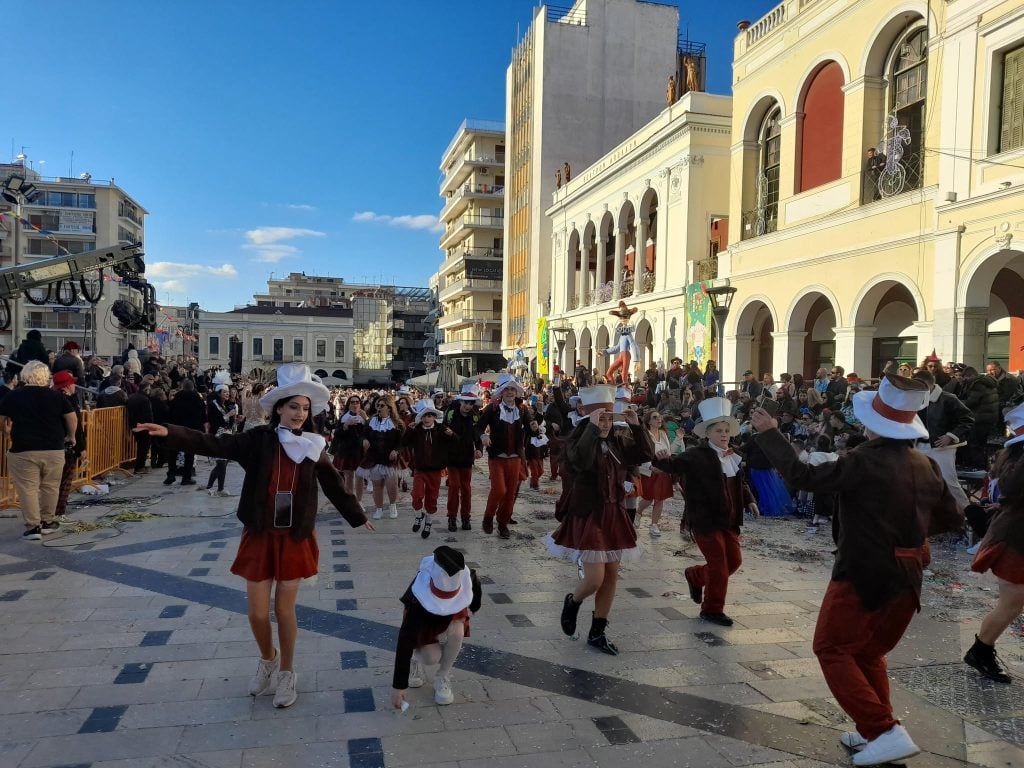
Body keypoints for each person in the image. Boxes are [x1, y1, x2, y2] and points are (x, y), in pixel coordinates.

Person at [133, 363, 373, 709]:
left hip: (294, 536)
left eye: (304, 408)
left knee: (284, 611)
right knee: (258, 614)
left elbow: (334, 483)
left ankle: (288, 672)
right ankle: (268, 658)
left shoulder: (313, 446)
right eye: (293, 407)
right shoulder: (259, 440)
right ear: (278, 409)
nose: (299, 414)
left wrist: (357, 514)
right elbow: (213, 443)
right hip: (261, 533)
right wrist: (169, 432)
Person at [750, 374, 962, 767]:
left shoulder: (864, 461)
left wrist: (770, 432)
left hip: (865, 572)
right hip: (909, 573)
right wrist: (909, 533)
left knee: (831, 648)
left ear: (874, 424)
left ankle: (884, 730)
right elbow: (951, 516)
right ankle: (878, 729)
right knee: (867, 654)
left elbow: (803, 478)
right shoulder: (925, 464)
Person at [548, 385, 653, 655]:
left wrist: (637, 427)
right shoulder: (577, 440)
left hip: (614, 512)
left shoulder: (618, 440)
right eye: (601, 418)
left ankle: (598, 631)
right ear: (588, 419)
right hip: (590, 512)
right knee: (595, 578)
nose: (606, 423)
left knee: (612, 576)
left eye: (609, 418)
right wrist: (592, 430)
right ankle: (573, 601)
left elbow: (644, 455)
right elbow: (579, 463)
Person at [658, 397, 755, 626]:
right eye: (719, 431)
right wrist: (661, 459)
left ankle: (696, 575)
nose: (724, 435)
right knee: (720, 566)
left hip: (729, 520)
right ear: (707, 434)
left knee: (734, 561)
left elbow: (739, 483)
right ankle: (712, 609)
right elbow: (674, 465)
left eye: (726, 430)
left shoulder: (732, 455)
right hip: (705, 520)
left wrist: (749, 500)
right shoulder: (697, 454)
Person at [965, 401, 1024, 684]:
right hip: (1015, 540)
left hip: (1015, 536)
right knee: (1011, 604)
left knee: (1012, 604)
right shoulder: (1017, 457)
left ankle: (981, 651)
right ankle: (980, 651)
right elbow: (1011, 489)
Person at [391, 546, 482, 709]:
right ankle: (415, 661)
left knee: (457, 632)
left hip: (454, 614)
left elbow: (475, 588)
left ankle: (442, 676)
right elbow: (405, 641)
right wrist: (399, 686)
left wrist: (475, 606)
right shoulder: (418, 601)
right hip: (427, 619)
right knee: (431, 657)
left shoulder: (465, 575)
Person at [0, 361, 77, 540]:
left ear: (25, 375)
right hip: (53, 449)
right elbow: (71, 418)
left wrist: (6, 431)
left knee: (28, 489)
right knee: (50, 487)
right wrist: (71, 436)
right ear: (45, 376)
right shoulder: (56, 396)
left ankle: (33, 526)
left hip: (23, 449)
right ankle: (48, 521)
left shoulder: (13, 396)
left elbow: (1, 418)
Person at [478, 373, 540, 539]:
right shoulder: (492, 408)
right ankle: (488, 516)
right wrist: (483, 436)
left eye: (513, 389)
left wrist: (535, 427)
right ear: (501, 391)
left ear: (516, 392)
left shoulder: (522, 409)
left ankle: (503, 523)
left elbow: (531, 429)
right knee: (499, 489)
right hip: (497, 456)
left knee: (510, 493)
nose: (510, 392)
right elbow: (478, 427)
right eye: (507, 389)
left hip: (515, 457)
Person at [402, 399, 454, 539]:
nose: (427, 418)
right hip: (420, 469)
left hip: (435, 470)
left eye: (429, 415)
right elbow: (404, 442)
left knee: (432, 497)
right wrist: (409, 430)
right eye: (424, 416)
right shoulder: (416, 430)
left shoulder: (441, 429)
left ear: (434, 417)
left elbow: (455, 442)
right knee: (417, 495)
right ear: (421, 417)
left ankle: (429, 522)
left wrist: (452, 435)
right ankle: (419, 516)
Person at [357, 395, 405, 520]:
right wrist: (364, 440)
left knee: (391, 485)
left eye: (382, 405)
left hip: (389, 459)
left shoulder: (397, 423)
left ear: (389, 408)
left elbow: (401, 443)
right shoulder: (371, 421)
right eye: (377, 405)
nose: (378, 408)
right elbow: (362, 435)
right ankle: (378, 509)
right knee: (377, 486)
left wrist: (396, 451)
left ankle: (392, 506)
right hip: (374, 458)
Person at [444, 384, 483, 531]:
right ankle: (452, 517)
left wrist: (479, 449)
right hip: (452, 457)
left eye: (471, 403)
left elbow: (478, 435)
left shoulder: (474, 416)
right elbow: (442, 429)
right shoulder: (451, 413)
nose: (468, 405)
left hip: (467, 457)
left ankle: (466, 517)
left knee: (466, 489)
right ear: (460, 401)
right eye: (466, 402)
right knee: (454, 487)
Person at [51, 370, 86, 521]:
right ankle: (58, 511)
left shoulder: (51, 398)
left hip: (53, 445)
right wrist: (82, 448)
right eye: (72, 383)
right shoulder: (68, 401)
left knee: (52, 481)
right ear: (66, 385)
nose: (74, 386)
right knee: (65, 480)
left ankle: (51, 510)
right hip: (68, 446)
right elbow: (76, 427)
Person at [635, 411, 673, 537]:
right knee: (648, 498)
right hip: (649, 470)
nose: (659, 419)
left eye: (659, 417)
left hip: (662, 470)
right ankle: (638, 512)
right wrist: (650, 467)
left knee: (660, 498)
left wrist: (678, 440)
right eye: (655, 417)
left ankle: (654, 524)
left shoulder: (663, 433)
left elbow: (669, 451)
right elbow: (643, 453)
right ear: (649, 421)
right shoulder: (645, 434)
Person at [164, 379, 207, 486]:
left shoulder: (177, 398)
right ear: (193, 387)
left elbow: (169, 413)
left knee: (173, 452)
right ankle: (186, 477)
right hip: (192, 429)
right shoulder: (197, 398)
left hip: (176, 428)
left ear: (183, 387)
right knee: (189, 454)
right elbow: (204, 416)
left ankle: (171, 474)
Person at [205, 384, 239, 496]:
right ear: (218, 393)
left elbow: (227, 422)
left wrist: (235, 419)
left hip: (226, 436)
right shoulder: (212, 405)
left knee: (222, 463)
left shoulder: (225, 405)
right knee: (221, 464)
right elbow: (215, 421)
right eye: (225, 392)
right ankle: (217, 488)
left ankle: (215, 487)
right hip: (218, 436)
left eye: (228, 392)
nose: (228, 394)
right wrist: (228, 415)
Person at [330, 394, 366, 497]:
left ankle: (359, 501)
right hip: (346, 451)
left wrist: (366, 419)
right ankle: (350, 501)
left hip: (360, 451)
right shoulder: (344, 417)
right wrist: (346, 425)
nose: (355, 404)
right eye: (352, 402)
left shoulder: (363, 416)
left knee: (360, 477)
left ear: (360, 404)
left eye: (357, 402)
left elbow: (369, 432)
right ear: (349, 405)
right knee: (349, 476)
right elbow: (336, 433)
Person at [126, 383, 154, 474]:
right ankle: (139, 467)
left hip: (133, 425)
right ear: (146, 389)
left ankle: (139, 466)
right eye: (149, 389)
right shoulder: (145, 399)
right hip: (143, 426)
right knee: (144, 447)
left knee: (140, 446)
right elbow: (148, 415)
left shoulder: (131, 397)